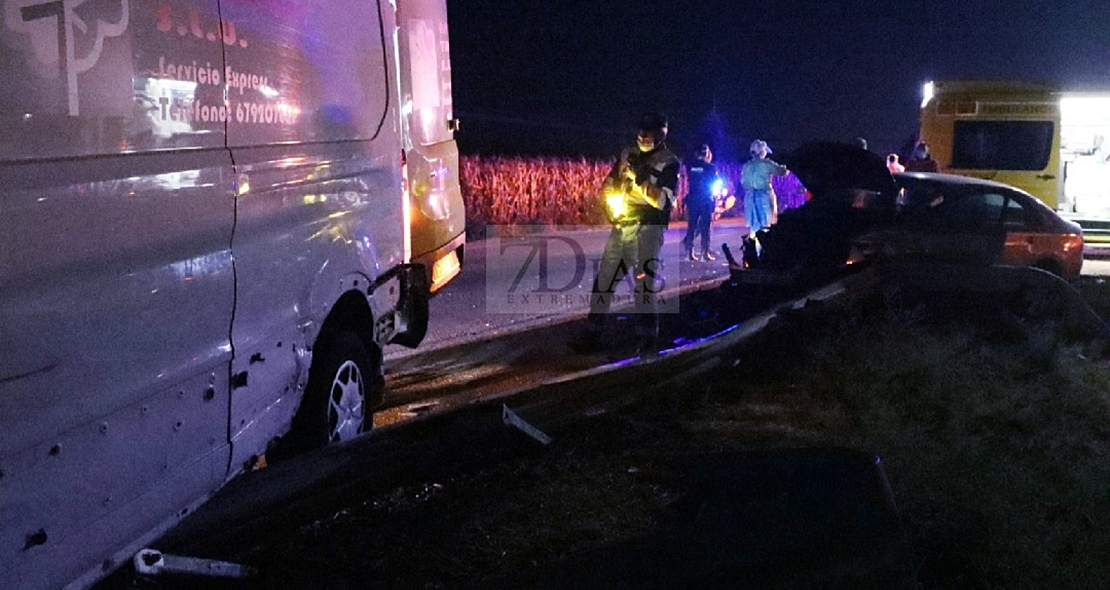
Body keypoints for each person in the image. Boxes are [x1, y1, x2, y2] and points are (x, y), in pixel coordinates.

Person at [571, 112, 680, 353]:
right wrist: (610, 205)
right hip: (622, 226)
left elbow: (663, 201)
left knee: (644, 285)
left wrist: (639, 178)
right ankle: (592, 334)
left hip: (648, 229)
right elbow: (610, 183)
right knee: (604, 281)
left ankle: (647, 341)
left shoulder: (669, 162)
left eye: (648, 131)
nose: (642, 135)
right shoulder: (627, 154)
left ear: (661, 133)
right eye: (640, 130)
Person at [740, 139, 788, 235]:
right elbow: (782, 172)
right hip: (764, 196)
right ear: (762, 151)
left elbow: (743, 183)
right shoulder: (766, 164)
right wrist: (786, 164)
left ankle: (753, 247)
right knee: (766, 225)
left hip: (750, 197)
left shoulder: (746, 166)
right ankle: (764, 247)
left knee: (753, 227)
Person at [682, 144, 720, 261]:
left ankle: (689, 253)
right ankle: (705, 253)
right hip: (705, 199)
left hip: (692, 198)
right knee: (705, 227)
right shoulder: (711, 168)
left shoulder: (690, 166)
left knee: (691, 226)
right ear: (707, 154)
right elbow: (714, 183)